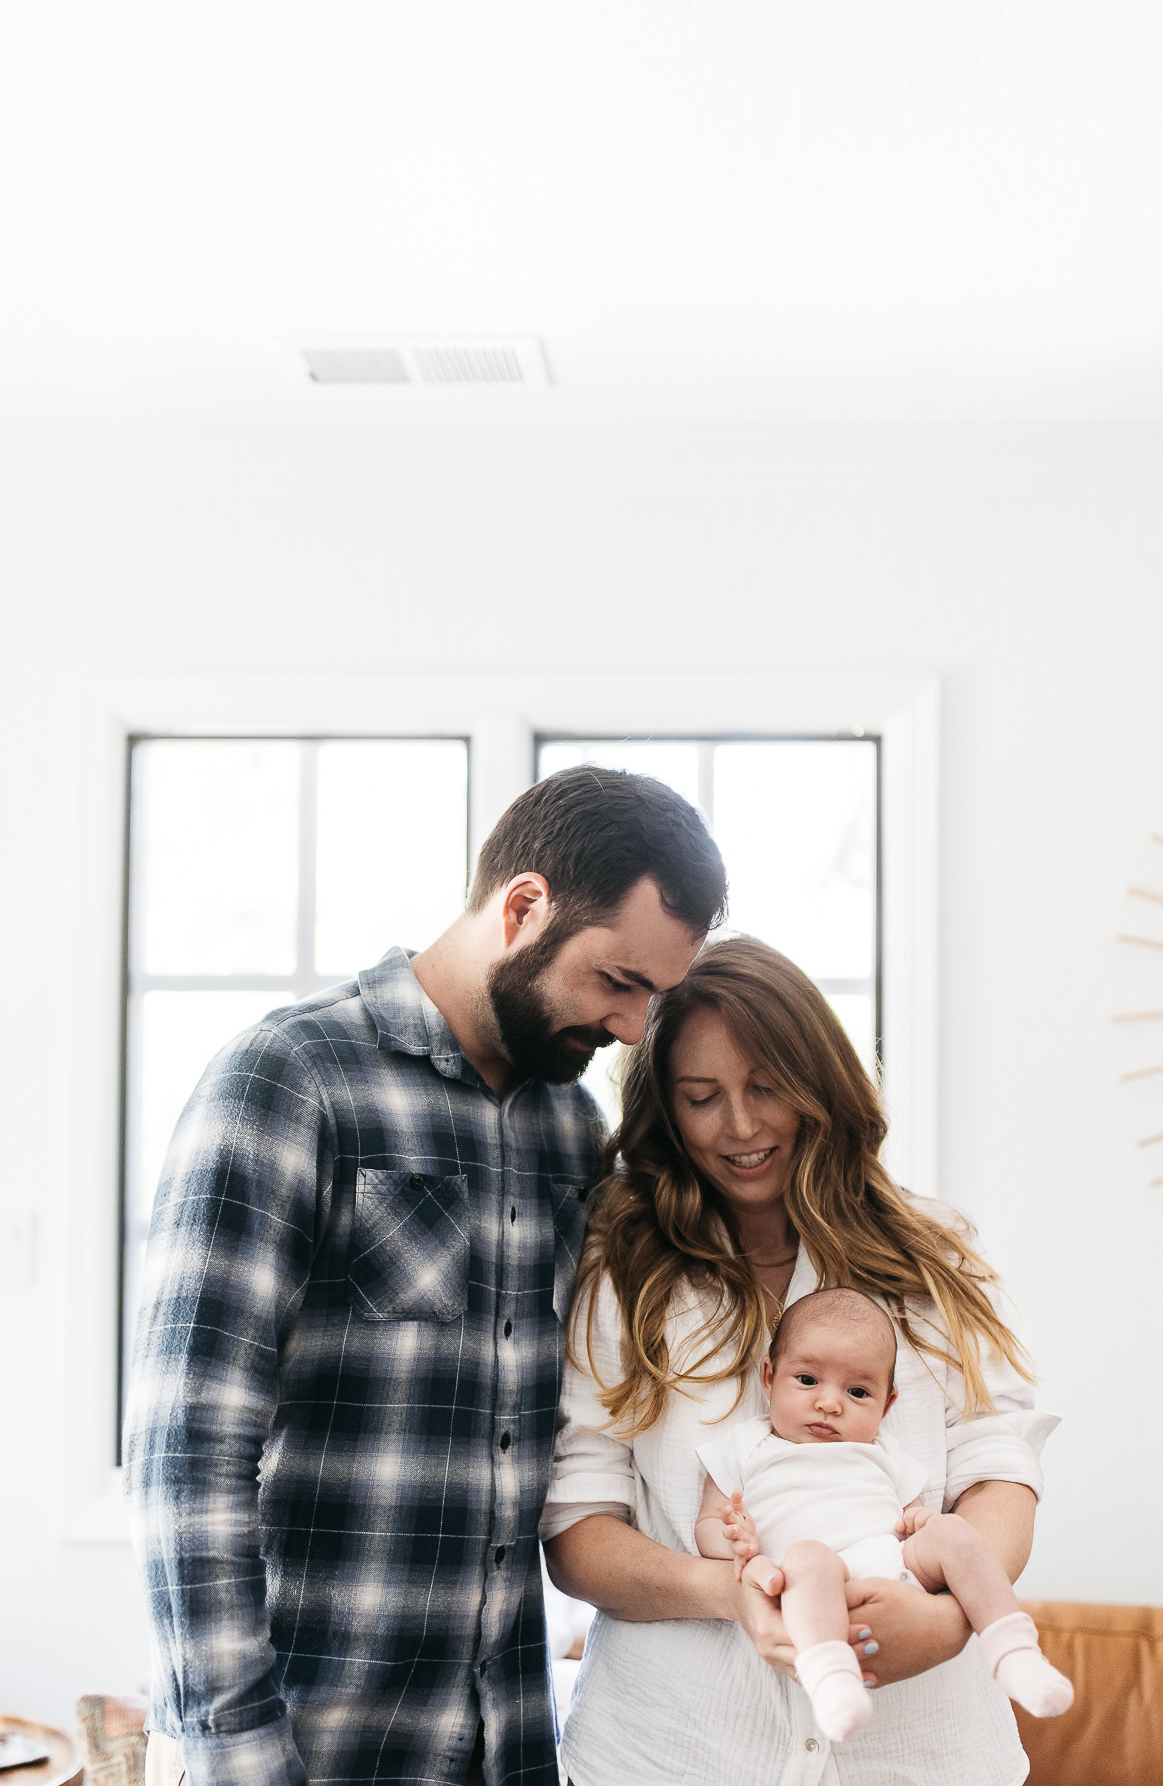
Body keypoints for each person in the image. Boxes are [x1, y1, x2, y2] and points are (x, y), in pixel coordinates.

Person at [124, 765, 727, 1786]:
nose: (631, 1027)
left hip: (504, 1740)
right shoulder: (291, 1079)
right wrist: (235, 1751)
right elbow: (187, 1452)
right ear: (524, 906)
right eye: (617, 981)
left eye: (652, 997)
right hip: (307, 1741)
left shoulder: (566, 1127)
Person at [541, 935, 1059, 1786]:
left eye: (767, 1087)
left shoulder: (938, 1256)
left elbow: (997, 1468)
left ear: (819, 1084)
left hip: (920, 1757)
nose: (740, 1127)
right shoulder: (622, 1270)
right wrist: (728, 1592)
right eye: (701, 1098)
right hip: (668, 1755)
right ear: (666, 1112)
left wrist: (947, 1619)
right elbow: (577, 1527)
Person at [694, 1288, 1072, 1743]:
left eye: (857, 1392)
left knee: (953, 1531)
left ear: (887, 1405)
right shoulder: (745, 1445)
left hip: (892, 1570)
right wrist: (737, 1542)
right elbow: (710, 1524)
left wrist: (921, 1522)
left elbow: (912, 1514)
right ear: (770, 1377)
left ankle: (1012, 1651)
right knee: (810, 1557)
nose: (830, 1403)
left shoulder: (883, 1452)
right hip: (801, 1578)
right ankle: (832, 1680)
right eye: (808, 1380)